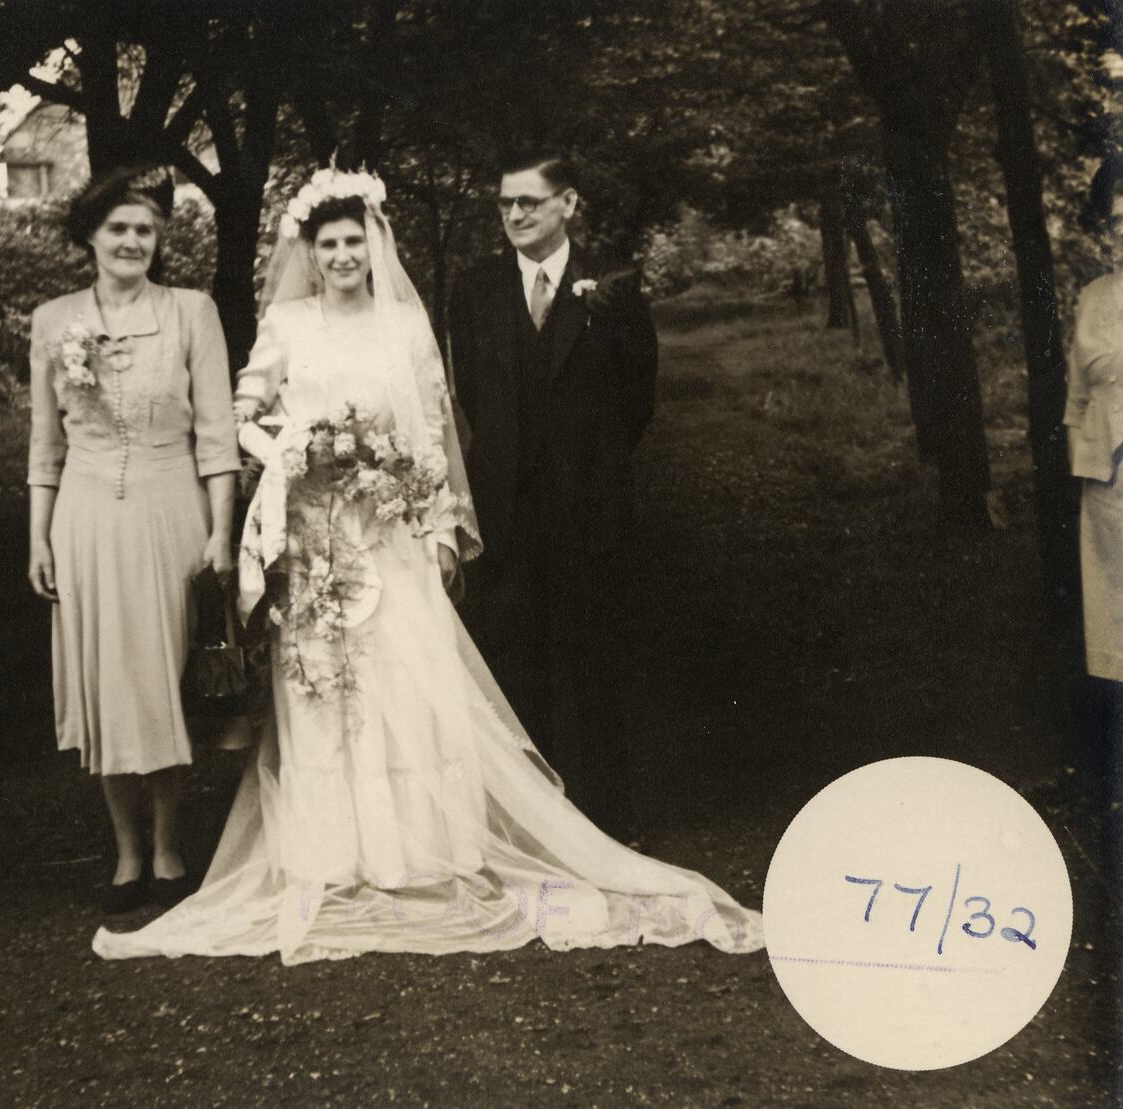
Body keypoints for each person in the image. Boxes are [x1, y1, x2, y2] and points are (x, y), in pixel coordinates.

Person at [92, 166, 761, 965]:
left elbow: (436, 430)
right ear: (310, 252)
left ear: (374, 246)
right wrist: (297, 451)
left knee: (406, 681)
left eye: (354, 242)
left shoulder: (405, 326)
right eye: (328, 245)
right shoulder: (289, 324)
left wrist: (442, 529)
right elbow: (244, 415)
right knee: (325, 691)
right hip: (316, 535)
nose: (343, 256)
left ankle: (418, 847)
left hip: (391, 531)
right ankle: (333, 854)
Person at [27, 169, 239, 914]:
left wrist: (222, 531)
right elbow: (44, 444)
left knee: (160, 678)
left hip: (170, 506)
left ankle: (170, 845)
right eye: (117, 228)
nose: (132, 241)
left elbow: (218, 434)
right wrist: (38, 538)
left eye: (145, 230)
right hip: (84, 516)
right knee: (108, 681)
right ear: (89, 236)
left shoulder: (191, 312)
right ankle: (125, 851)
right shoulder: (52, 320)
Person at [445, 152, 658, 786]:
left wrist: (589, 461)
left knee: (593, 656)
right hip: (505, 506)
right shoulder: (475, 288)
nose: (514, 215)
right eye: (505, 203)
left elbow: (637, 398)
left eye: (528, 202)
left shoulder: (613, 283)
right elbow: (473, 393)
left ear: (567, 203)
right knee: (515, 658)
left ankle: (603, 806)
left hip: (589, 501)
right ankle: (535, 808)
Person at [1067, 155, 1123, 769]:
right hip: (1111, 487)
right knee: (1114, 617)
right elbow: (1077, 402)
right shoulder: (1092, 299)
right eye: (1115, 219)